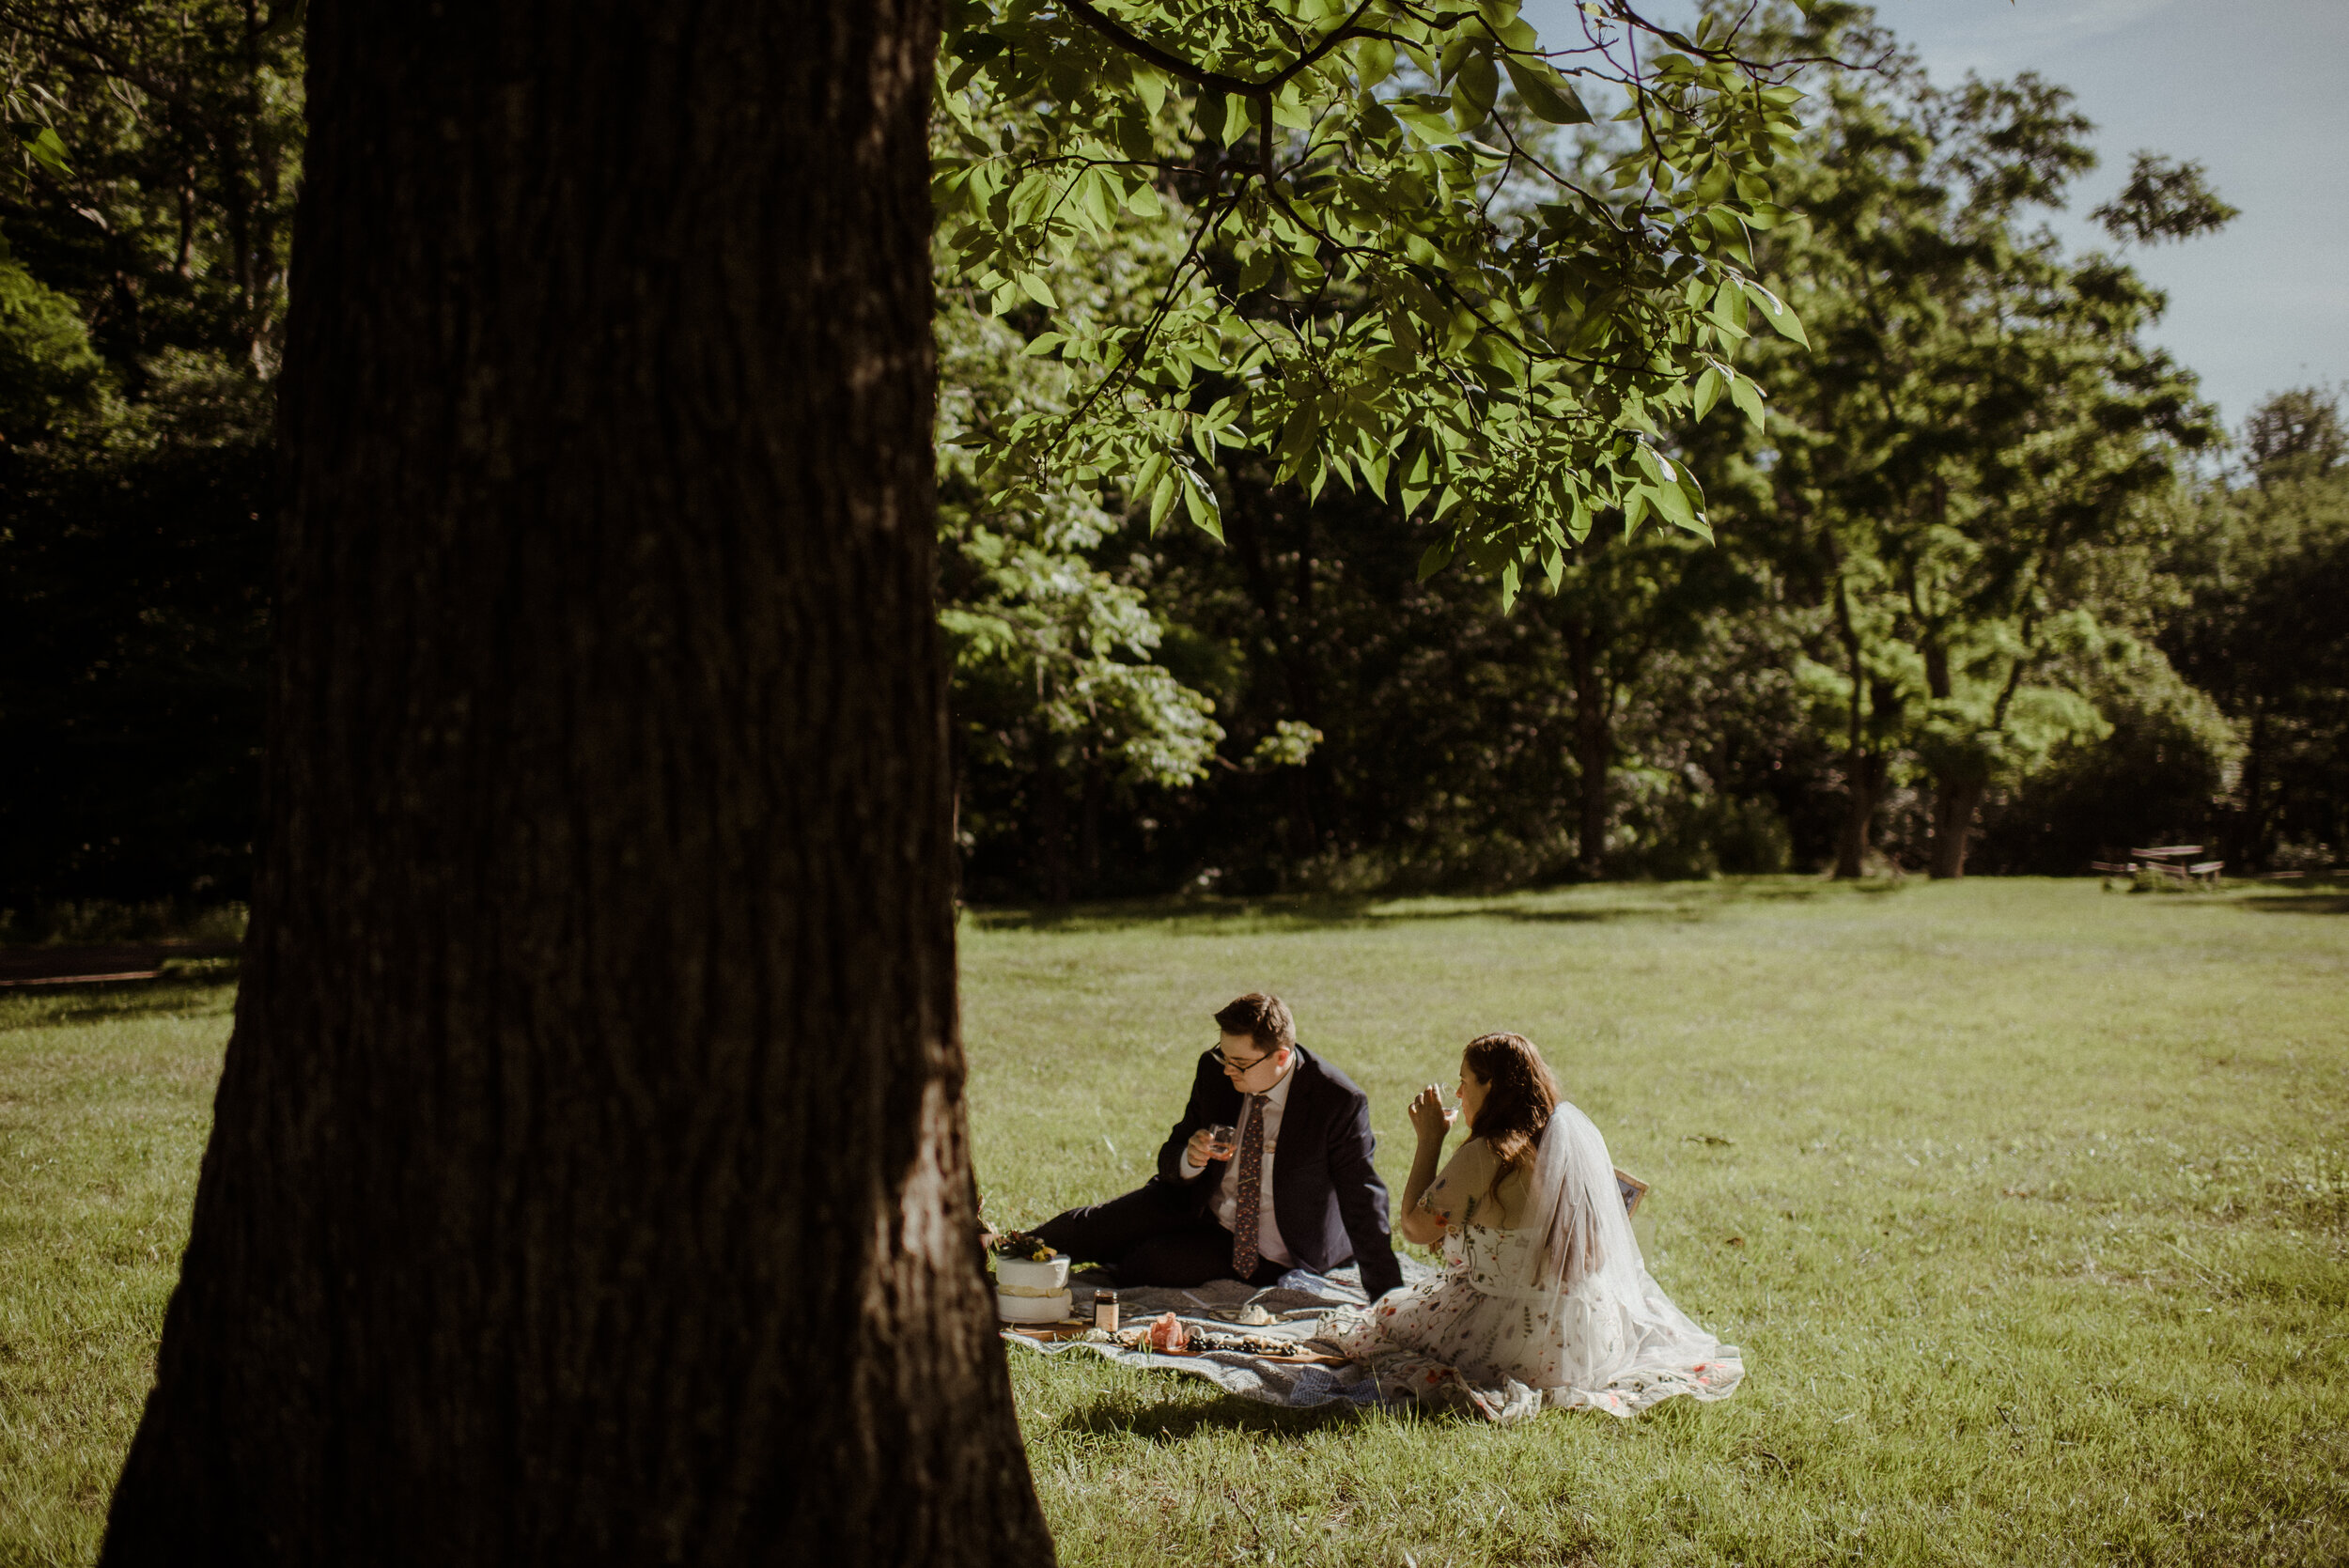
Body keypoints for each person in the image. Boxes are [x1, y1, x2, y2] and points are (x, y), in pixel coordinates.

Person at [1317, 1031, 1742, 1422]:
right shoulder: (1560, 1145)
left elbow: (1414, 1228)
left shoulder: (1488, 1153)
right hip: (1587, 1337)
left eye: (1466, 1082)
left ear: (1492, 1087)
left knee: (1384, 1322)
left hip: (1512, 1338)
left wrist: (1430, 1138)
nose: (1460, 1093)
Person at [1033, 993, 1403, 1297]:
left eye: (1240, 1063)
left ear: (1282, 1057)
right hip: (1196, 1206)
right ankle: (993, 1252)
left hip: (1268, 1248)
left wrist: (1387, 1298)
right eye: (1224, 1056)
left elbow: (1363, 1199)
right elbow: (1170, 1155)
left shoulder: (1336, 1101)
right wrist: (1189, 1158)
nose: (1228, 1070)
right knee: (1085, 1227)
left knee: (1147, 1264)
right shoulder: (1216, 1073)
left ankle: (1128, 1258)